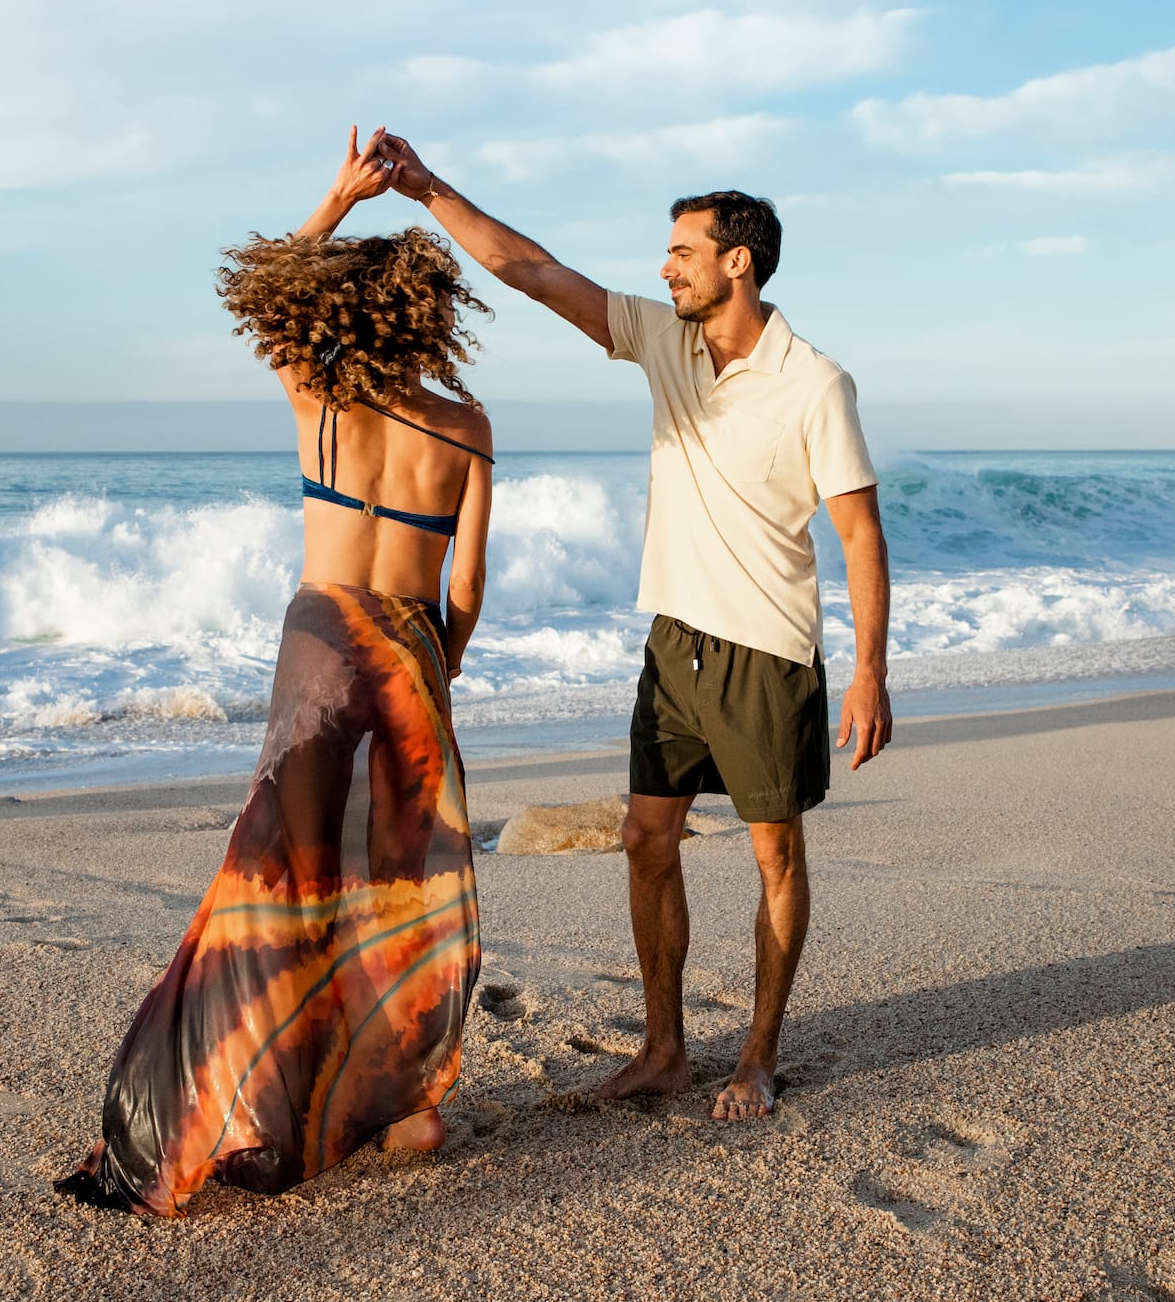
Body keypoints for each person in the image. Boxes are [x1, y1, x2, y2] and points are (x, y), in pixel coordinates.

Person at [377, 133, 891, 1121]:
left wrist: (867, 673)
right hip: (674, 645)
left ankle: (755, 1056)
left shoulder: (813, 384)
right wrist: (426, 186)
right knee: (644, 838)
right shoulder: (661, 338)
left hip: (765, 653)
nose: (663, 268)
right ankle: (662, 1049)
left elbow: (858, 533)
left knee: (773, 856)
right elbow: (531, 273)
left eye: (681, 253)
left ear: (735, 262)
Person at [59, 128, 495, 1213]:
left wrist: (336, 201)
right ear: (432, 312)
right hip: (409, 650)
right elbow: (470, 587)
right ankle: (398, 1103)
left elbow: (264, 300)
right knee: (399, 878)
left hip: (317, 645)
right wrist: (434, 668)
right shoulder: (470, 426)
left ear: (343, 310)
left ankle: (241, 1098)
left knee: (284, 877)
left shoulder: (317, 393)